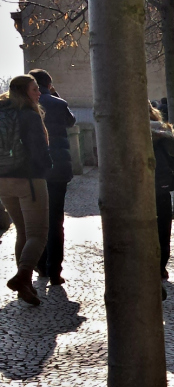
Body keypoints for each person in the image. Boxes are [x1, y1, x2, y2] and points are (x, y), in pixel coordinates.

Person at [0, 75, 52, 306]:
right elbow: (39, 150)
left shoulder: (1, 113)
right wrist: (47, 167)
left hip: (3, 179)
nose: (39, 93)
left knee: (23, 231)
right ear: (24, 92)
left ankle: (26, 286)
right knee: (38, 234)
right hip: (28, 179)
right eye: (34, 89)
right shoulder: (29, 116)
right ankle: (22, 278)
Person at [30, 69, 75, 285]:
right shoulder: (59, 103)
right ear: (49, 83)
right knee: (56, 220)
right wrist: (56, 96)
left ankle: (40, 265)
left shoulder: (26, 105)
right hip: (58, 168)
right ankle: (55, 270)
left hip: (34, 170)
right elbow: (71, 122)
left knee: (36, 220)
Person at [151, 105, 174, 288]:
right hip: (161, 186)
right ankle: (160, 267)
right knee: (163, 229)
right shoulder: (162, 129)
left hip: (136, 189)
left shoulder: (125, 130)